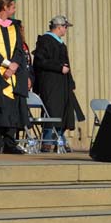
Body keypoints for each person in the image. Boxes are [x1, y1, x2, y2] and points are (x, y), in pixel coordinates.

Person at [0, 0, 28, 154]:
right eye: (13, 7)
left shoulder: (13, 26)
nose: (15, 10)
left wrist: (14, 65)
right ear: (5, 7)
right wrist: (7, 65)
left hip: (14, 73)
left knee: (13, 109)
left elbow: (19, 48)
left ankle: (10, 142)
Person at [33, 15, 83, 151]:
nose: (66, 30)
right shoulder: (45, 41)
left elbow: (67, 64)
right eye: (65, 27)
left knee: (64, 112)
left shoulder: (61, 44)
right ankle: (47, 141)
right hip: (51, 83)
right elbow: (39, 61)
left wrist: (70, 82)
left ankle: (59, 141)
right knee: (52, 111)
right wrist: (59, 67)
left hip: (62, 83)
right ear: (59, 27)